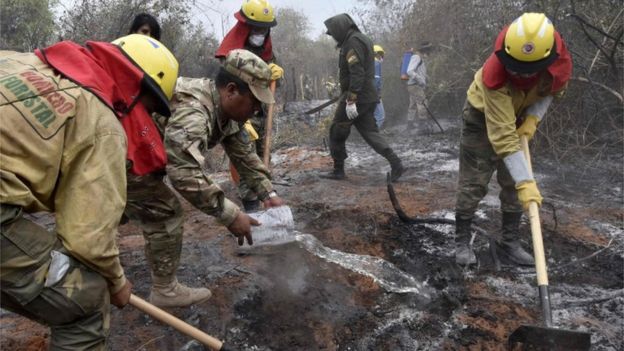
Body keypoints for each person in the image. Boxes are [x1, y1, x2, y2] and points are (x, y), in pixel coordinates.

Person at [0, 34, 178, 349]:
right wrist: (117, 282)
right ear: (139, 92)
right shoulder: (104, 123)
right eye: (151, 110)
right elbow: (88, 243)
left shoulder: (19, 59)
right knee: (87, 300)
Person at [123, 49, 285, 308]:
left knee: (118, 213)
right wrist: (230, 215)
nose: (256, 111)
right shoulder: (194, 110)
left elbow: (245, 156)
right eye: (254, 102)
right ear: (231, 90)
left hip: (142, 156)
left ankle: (85, 260)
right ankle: (164, 289)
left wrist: (269, 194)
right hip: (126, 155)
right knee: (164, 212)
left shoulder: (227, 111)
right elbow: (183, 173)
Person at [454, 13, 572, 265]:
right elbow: (504, 138)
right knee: (474, 182)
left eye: (526, 70)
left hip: (519, 115)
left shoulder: (557, 64)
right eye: (513, 65)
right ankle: (461, 241)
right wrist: (526, 182)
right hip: (481, 118)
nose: (517, 72)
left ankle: (510, 242)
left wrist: (532, 120)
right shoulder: (494, 76)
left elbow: (550, 92)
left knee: (511, 182)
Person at [215, 0, 284, 212]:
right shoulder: (232, 55)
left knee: (262, 153)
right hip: (239, 112)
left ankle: (266, 193)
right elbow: (228, 91)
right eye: (256, 28)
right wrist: (241, 120)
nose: (260, 33)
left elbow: (270, 85)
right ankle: (251, 204)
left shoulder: (267, 51)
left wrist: (276, 76)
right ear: (245, 26)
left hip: (260, 111)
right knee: (244, 153)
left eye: (264, 29)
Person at [322, 13, 404, 182]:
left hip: (357, 98)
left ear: (340, 29)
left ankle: (338, 170)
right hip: (367, 97)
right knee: (370, 133)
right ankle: (396, 163)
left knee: (337, 130)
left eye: (334, 33)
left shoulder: (352, 42)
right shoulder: (361, 39)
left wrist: (351, 99)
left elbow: (357, 72)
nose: (334, 37)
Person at [405, 42, 433, 133]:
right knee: (422, 102)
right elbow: (409, 71)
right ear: (425, 50)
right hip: (415, 85)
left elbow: (419, 71)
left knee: (413, 104)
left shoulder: (419, 58)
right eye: (428, 50)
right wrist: (420, 80)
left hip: (412, 85)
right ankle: (422, 126)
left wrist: (425, 78)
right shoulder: (416, 57)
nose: (429, 52)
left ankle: (410, 124)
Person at [373, 44, 386, 129]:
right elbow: (376, 80)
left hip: (367, 93)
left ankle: (369, 134)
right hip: (374, 93)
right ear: (377, 53)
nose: (382, 57)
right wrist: (377, 94)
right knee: (381, 116)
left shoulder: (368, 63)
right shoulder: (376, 64)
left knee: (372, 115)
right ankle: (373, 135)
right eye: (381, 54)